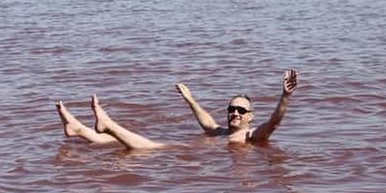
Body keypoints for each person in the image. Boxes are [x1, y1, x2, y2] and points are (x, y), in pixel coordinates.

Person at [55, 69, 298, 150]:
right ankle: (78, 129)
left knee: (150, 148)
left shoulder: (251, 136)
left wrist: (284, 96)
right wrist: (190, 98)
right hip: (193, 149)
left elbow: (274, 123)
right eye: (231, 108)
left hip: (185, 154)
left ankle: (108, 125)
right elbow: (207, 124)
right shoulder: (223, 133)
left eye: (241, 111)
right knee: (111, 143)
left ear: (250, 117)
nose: (235, 113)